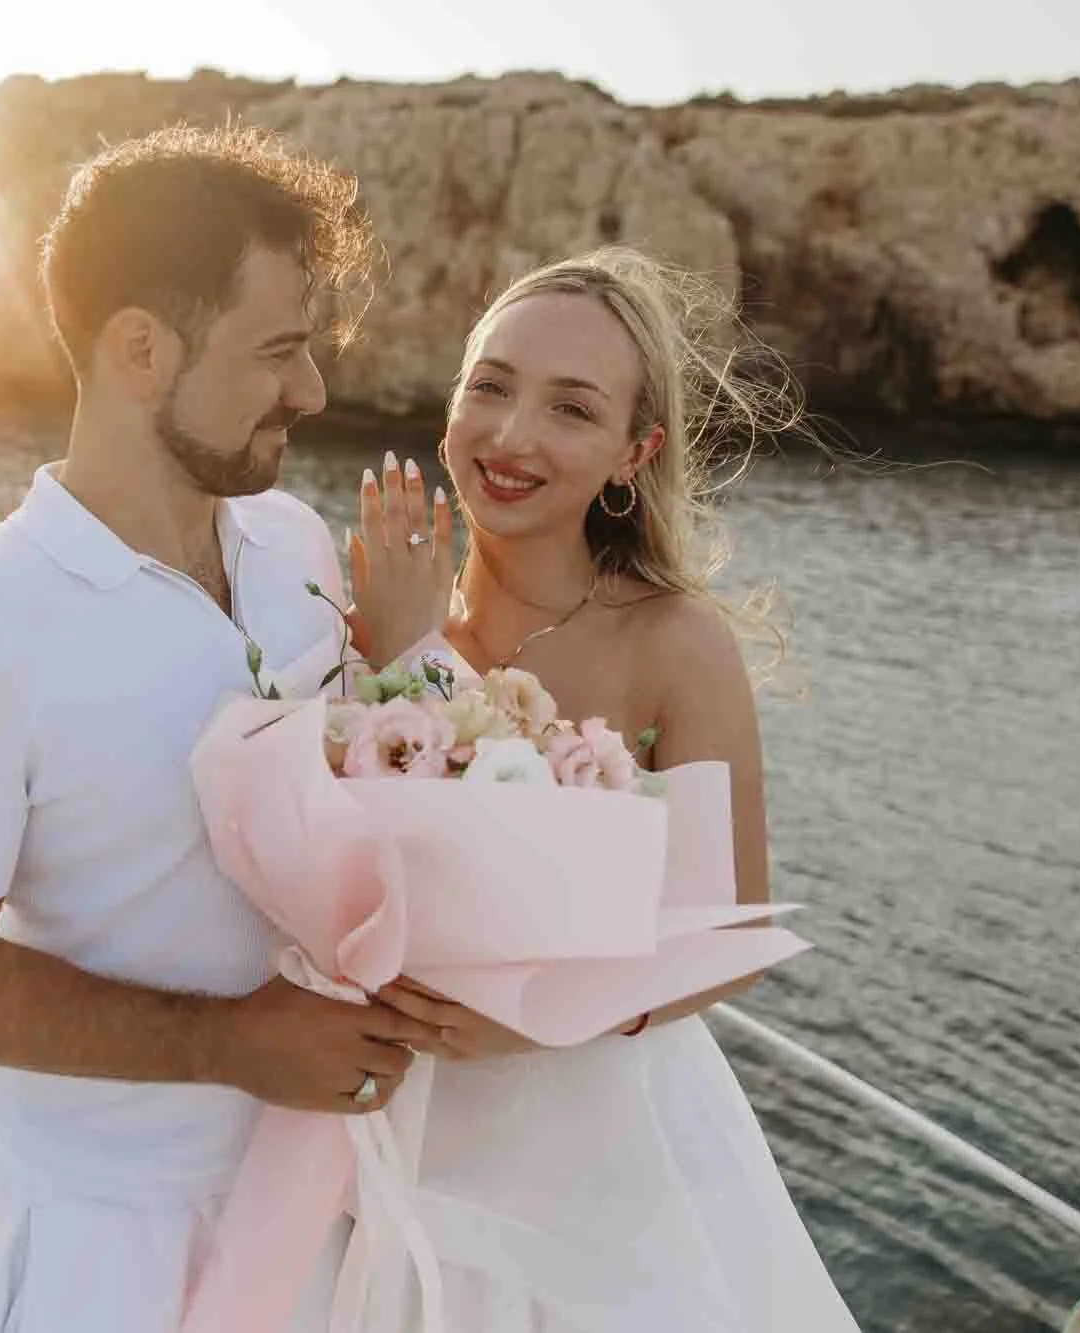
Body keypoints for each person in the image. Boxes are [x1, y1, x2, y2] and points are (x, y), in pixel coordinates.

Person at [0, 125, 445, 1333]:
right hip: (104, 1248)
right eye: (278, 349)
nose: (313, 392)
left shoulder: (288, 544)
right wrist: (229, 1044)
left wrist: (401, 656)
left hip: (332, 1198)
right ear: (138, 348)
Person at [346, 246, 862, 1330]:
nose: (510, 435)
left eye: (569, 409)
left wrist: (529, 1025)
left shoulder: (673, 643)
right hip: (384, 1120)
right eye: (489, 385)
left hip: (587, 1146)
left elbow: (723, 930)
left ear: (634, 453)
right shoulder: (373, 604)